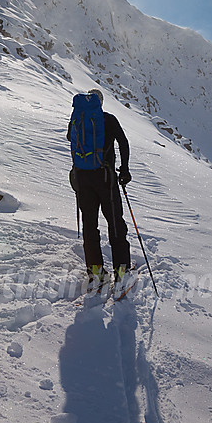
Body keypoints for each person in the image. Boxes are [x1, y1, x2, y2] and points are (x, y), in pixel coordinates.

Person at [67, 88, 132, 284]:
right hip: (105, 178)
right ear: (100, 103)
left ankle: (95, 272)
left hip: (83, 179)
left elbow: (70, 138)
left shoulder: (77, 119)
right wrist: (125, 170)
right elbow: (123, 142)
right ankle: (121, 272)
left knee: (90, 225)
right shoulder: (108, 120)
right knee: (115, 223)